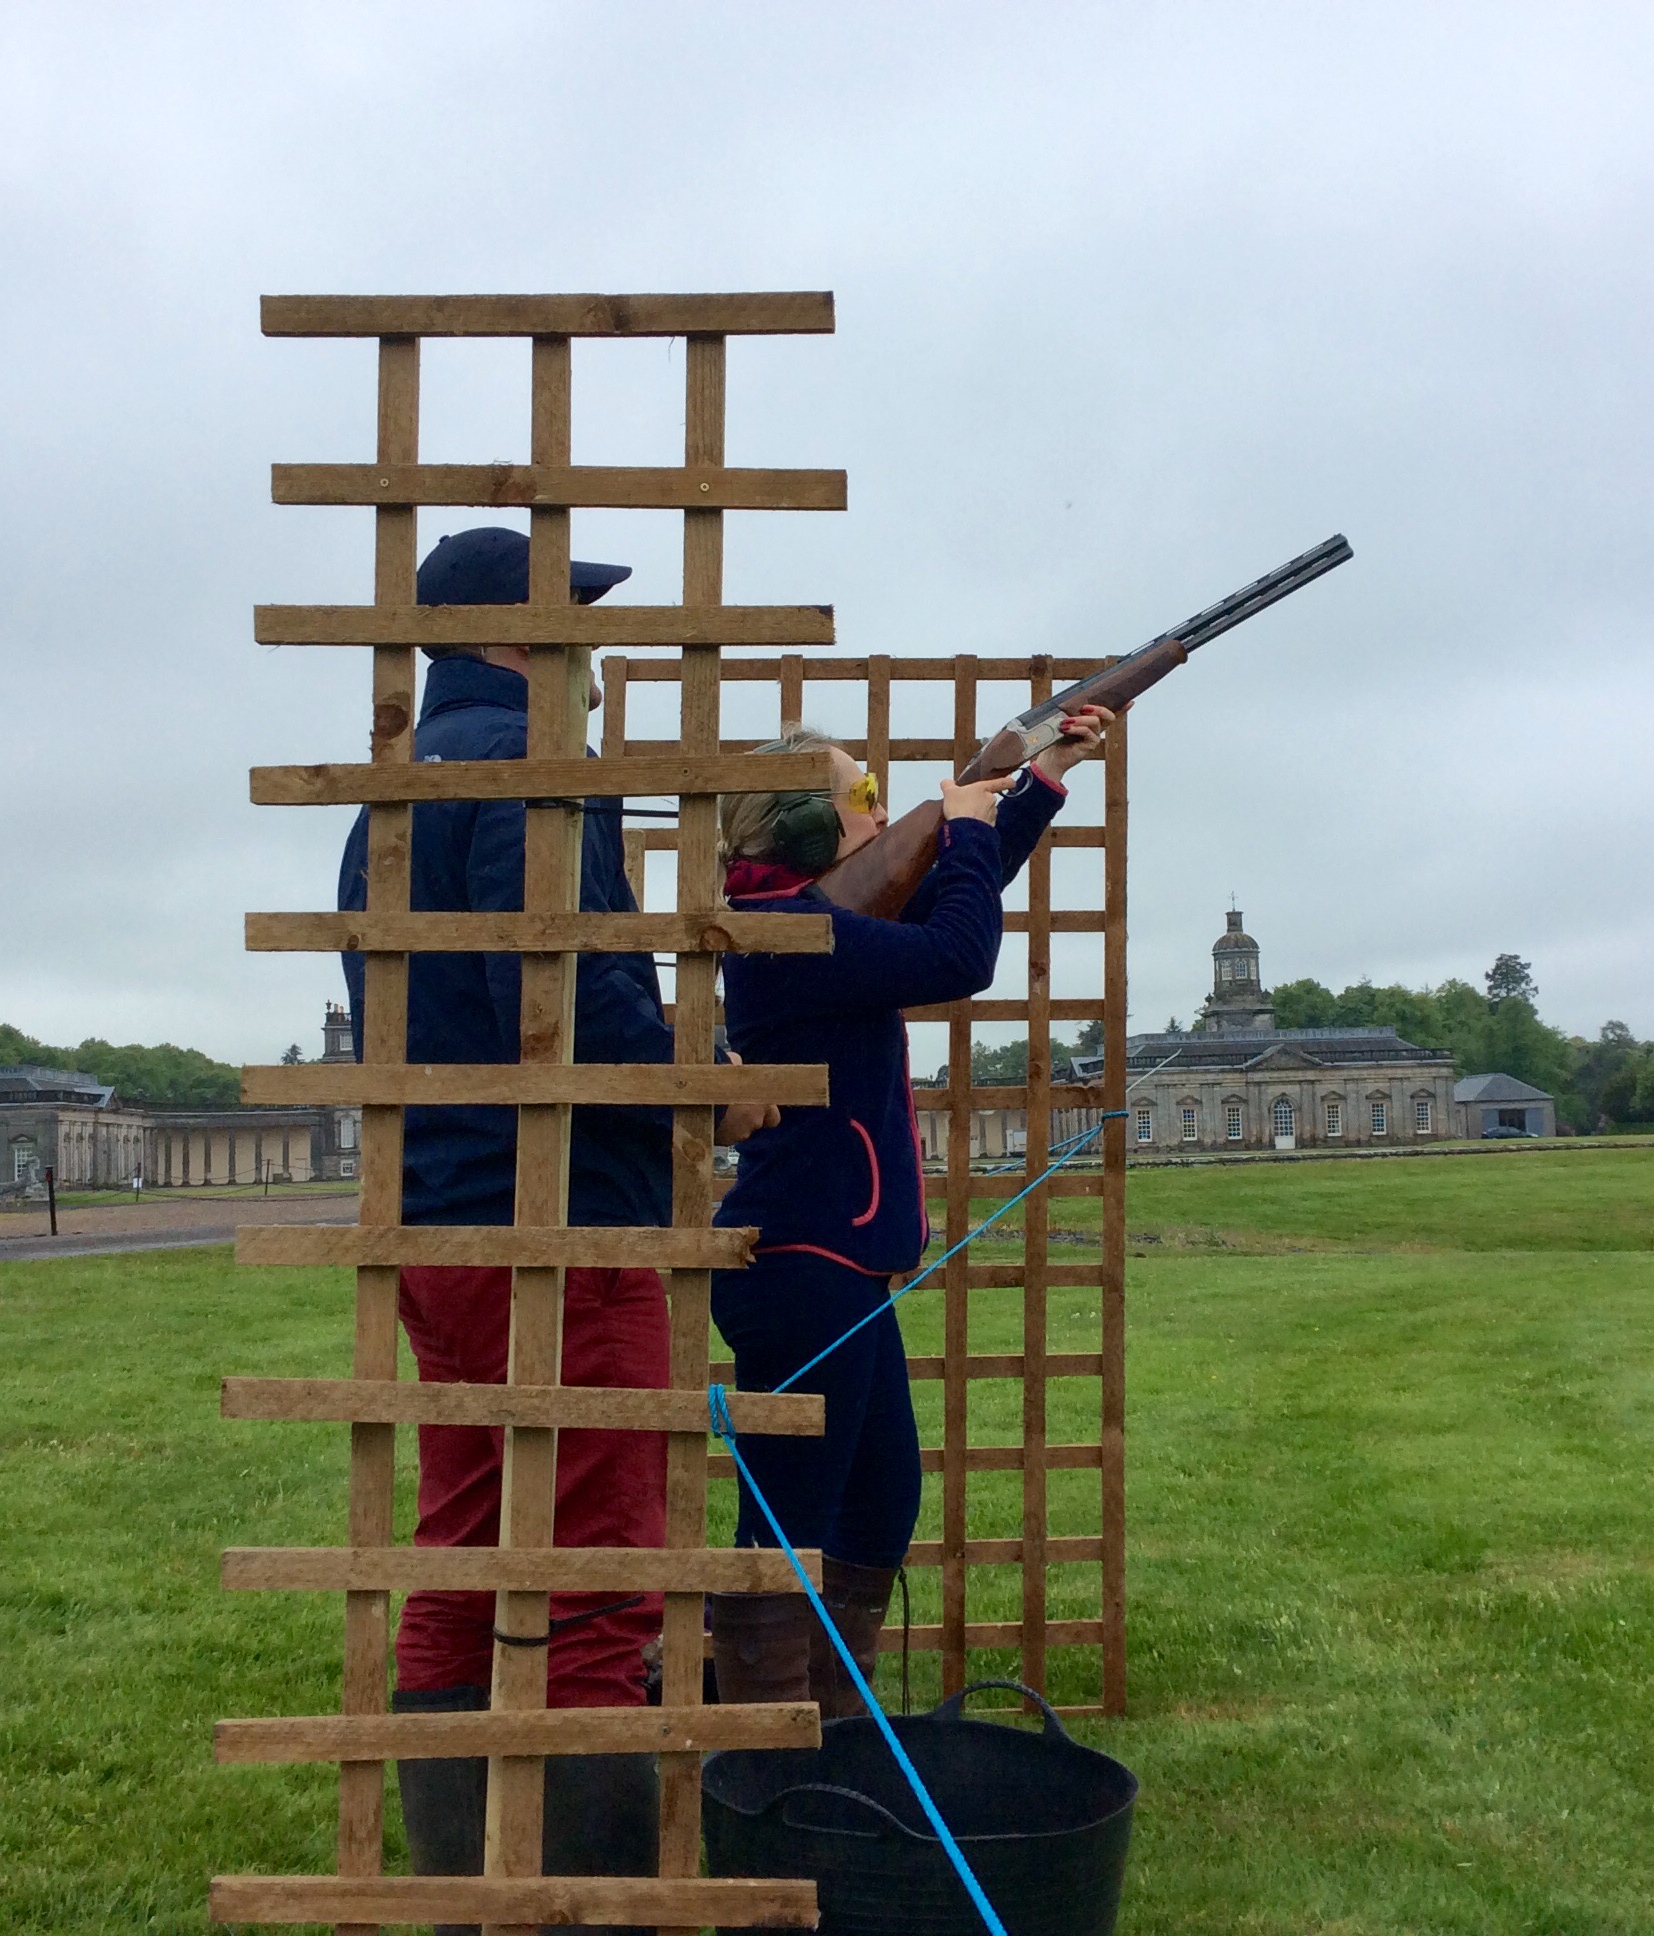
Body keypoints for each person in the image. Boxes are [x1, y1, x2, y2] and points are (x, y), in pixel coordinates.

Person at [337, 524, 770, 1935]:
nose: (592, 651)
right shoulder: (538, 771)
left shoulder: (392, 788)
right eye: (571, 623)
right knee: (596, 1581)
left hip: (435, 1220)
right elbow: (575, 1002)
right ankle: (584, 1909)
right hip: (562, 1225)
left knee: (463, 1555)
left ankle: (463, 1895)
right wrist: (709, 1089)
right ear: (518, 636)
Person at [704, 707, 1115, 1714]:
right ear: (805, 827)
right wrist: (964, 820)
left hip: (834, 1266)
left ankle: (831, 1729)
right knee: (788, 1530)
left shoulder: (808, 920)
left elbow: (938, 900)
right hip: (803, 1268)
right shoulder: (787, 932)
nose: (882, 812)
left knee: (880, 1500)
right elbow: (956, 954)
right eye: (862, 796)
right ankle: (764, 1751)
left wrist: (1038, 782)